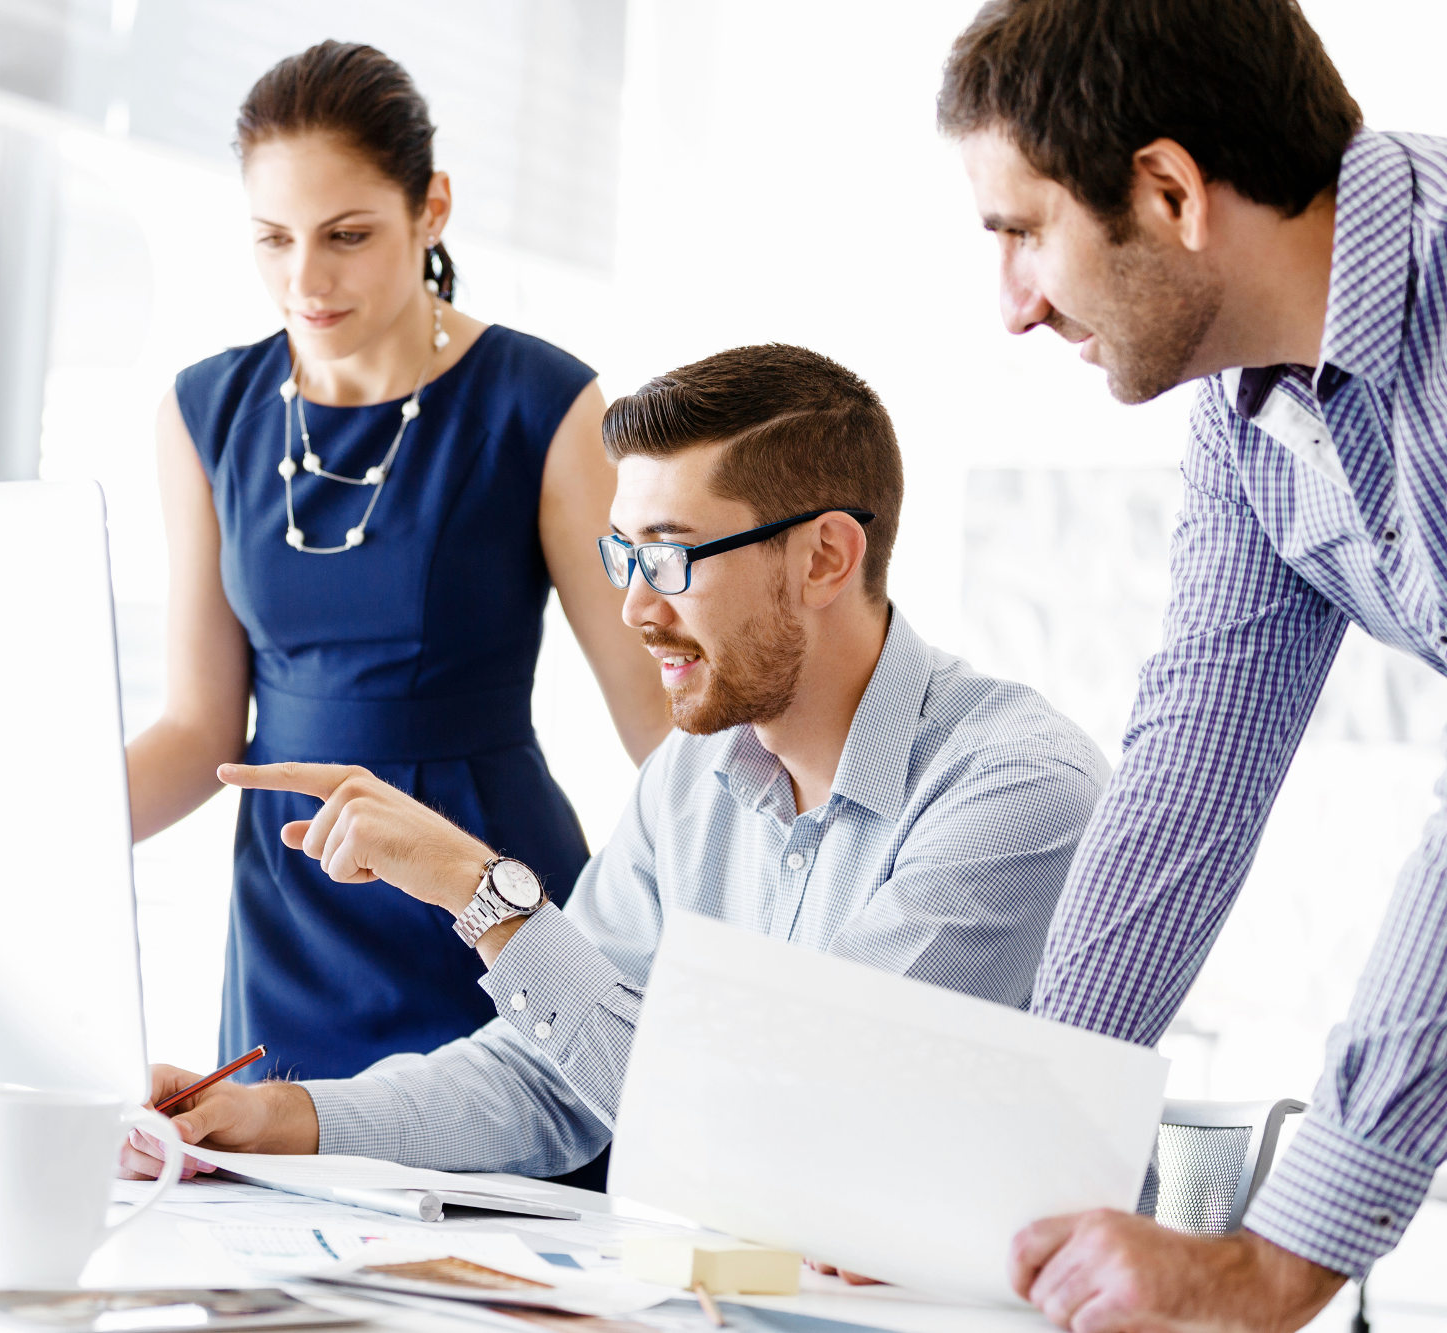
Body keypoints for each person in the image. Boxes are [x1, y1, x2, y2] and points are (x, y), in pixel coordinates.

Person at [119, 344, 1109, 1186]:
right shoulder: (692, 776)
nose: (636, 607)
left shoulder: (1016, 791)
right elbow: (548, 1079)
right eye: (622, 556)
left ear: (823, 558)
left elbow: (789, 1122)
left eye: (672, 557)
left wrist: (484, 896)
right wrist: (279, 1118)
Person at [940, 1, 1447, 1327]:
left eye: (1024, 234)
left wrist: (1273, 1263)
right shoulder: (1250, 403)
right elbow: (1192, 775)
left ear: (1169, 191)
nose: (1012, 307)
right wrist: (1008, 1167)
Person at [126, 41, 667, 1086]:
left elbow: (653, 718)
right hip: (292, 911)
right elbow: (199, 732)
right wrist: (28, 836)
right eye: (272, 239)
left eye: (346, 236)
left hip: (482, 899)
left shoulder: (542, 405)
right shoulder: (203, 414)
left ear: (432, 210)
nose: (304, 280)